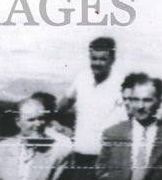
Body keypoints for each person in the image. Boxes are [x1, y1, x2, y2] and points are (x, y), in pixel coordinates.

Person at [55, 37, 128, 168]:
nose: (97, 63)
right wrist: (55, 123)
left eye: (103, 59)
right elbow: (63, 104)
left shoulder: (122, 84)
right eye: (94, 58)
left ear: (112, 60)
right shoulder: (82, 78)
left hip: (108, 158)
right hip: (79, 154)